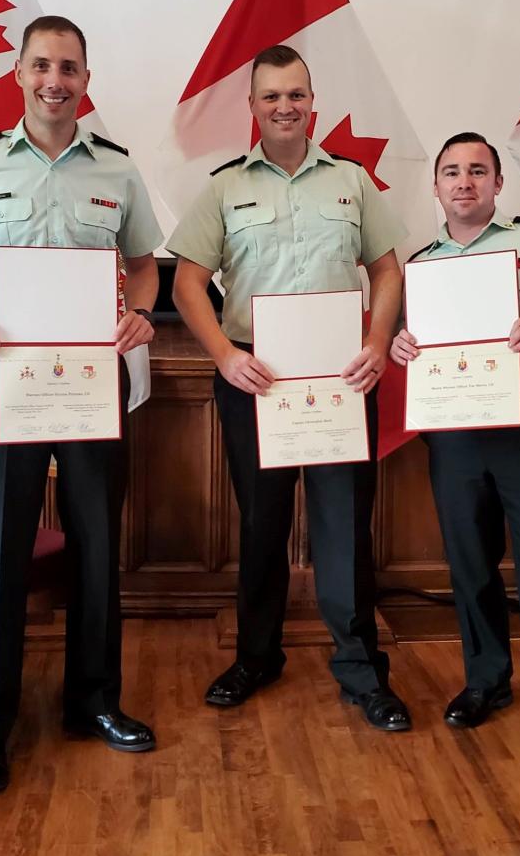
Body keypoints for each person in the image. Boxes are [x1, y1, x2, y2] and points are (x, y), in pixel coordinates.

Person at [167, 44, 411, 732]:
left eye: (295, 94)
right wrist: (220, 354)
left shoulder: (353, 182)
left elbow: (387, 270)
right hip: (256, 380)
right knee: (262, 524)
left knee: (344, 530)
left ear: (312, 102)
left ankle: (363, 671)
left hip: (341, 379)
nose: (284, 106)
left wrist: (374, 342)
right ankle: (256, 655)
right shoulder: (222, 187)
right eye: (271, 95)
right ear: (251, 106)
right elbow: (187, 280)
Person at [0, 16, 163, 793]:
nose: (57, 79)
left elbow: (145, 264)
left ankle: (94, 701)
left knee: (94, 539)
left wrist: (140, 312)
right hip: (0, 382)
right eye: (43, 65)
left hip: (90, 382)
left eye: (71, 67)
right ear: (19, 73)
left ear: (87, 81)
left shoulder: (117, 173)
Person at [391, 131, 520, 765]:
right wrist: (400, 346)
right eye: (451, 172)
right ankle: (486, 681)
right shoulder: (422, 263)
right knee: (469, 565)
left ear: (498, 185)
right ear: (436, 187)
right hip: (458, 431)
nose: (463, 182)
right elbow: (413, 340)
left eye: (477, 171)